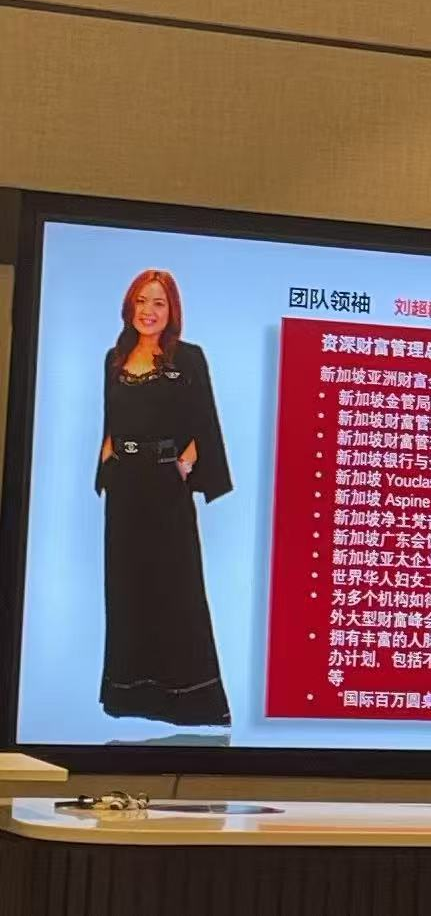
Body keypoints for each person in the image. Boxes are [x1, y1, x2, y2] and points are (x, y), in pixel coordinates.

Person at [95, 269, 232, 728]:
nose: (148, 311)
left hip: (165, 486)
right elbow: (110, 419)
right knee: (126, 587)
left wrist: (185, 464)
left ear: (172, 310)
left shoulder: (188, 357)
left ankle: (191, 700)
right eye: (141, 301)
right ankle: (129, 694)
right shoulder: (114, 358)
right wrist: (107, 463)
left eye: (158, 302)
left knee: (177, 588)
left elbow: (204, 419)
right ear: (128, 306)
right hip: (124, 489)